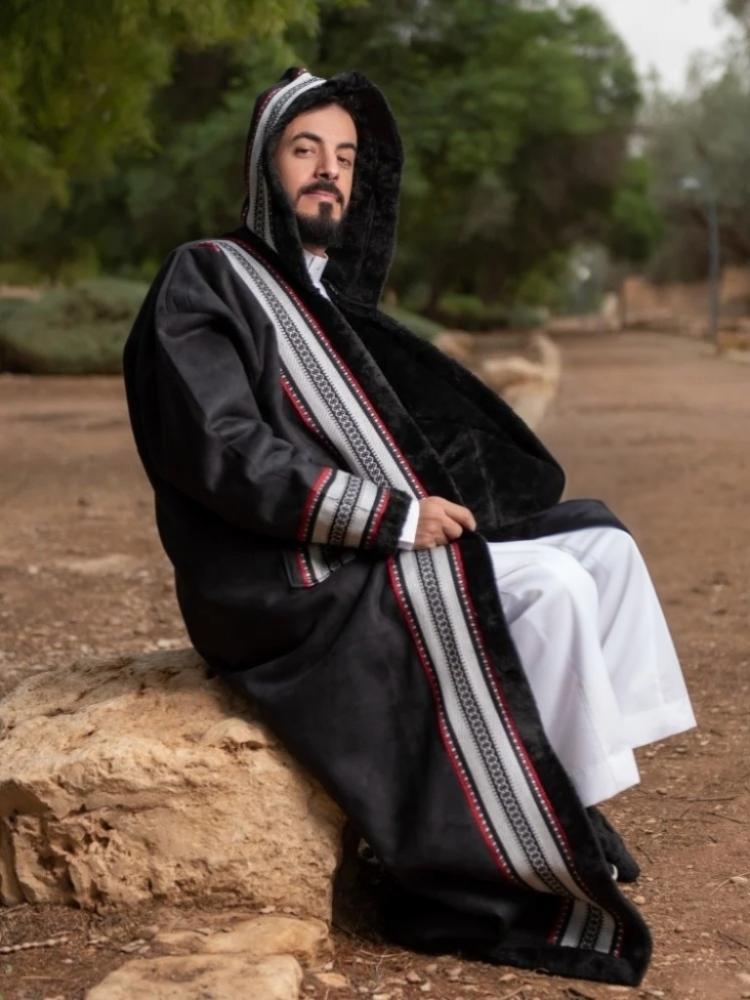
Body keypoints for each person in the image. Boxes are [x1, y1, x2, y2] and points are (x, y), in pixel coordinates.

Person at [123, 68, 695, 987]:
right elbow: (223, 451)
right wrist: (390, 516)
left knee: (602, 546)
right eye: (306, 149)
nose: (329, 171)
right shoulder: (207, 277)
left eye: (346, 157)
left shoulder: (324, 298)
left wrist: (449, 503)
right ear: (263, 164)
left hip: (358, 539)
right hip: (281, 576)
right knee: (553, 587)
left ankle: (559, 799)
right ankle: (499, 866)